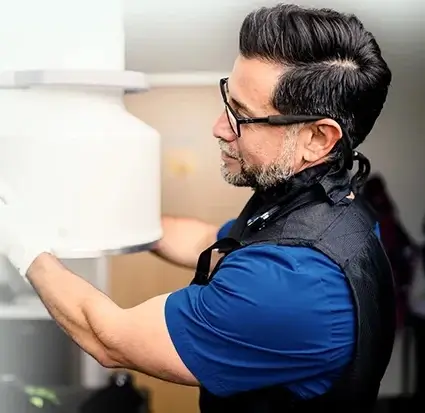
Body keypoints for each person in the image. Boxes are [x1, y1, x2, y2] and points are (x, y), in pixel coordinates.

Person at [0, 4, 396, 413]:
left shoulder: (293, 286)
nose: (219, 127)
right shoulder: (325, 205)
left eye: (242, 116)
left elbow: (109, 339)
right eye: (228, 101)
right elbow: (209, 241)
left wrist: (21, 244)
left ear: (317, 138)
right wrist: (107, 217)